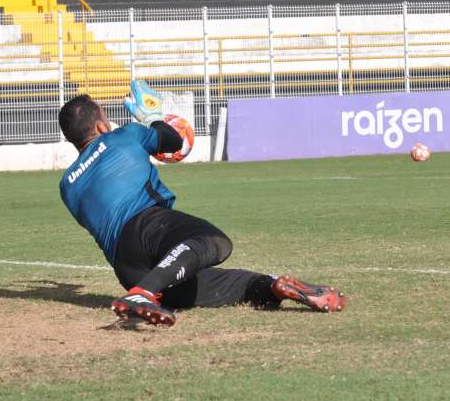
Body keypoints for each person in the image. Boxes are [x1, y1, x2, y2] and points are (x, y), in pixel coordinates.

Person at [58, 80, 347, 327]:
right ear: (100, 125)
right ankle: (142, 294)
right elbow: (172, 140)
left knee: (229, 285)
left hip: (128, 266)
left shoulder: (67, 185)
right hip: (149, 228)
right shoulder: (125, 136)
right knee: (214, 241)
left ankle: (270, 286)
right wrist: (152, 118)